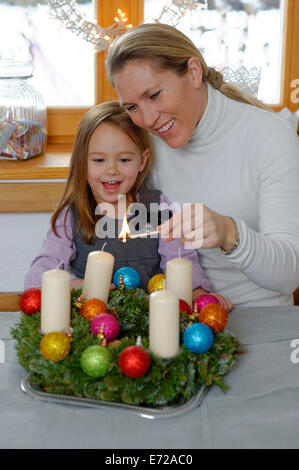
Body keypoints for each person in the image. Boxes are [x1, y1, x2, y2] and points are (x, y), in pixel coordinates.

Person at [105, 23, 299, 307]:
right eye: (132, 107)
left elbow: (290, 275)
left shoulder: (271, 138)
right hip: (174, 316)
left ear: (194, 73)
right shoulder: (140, 146)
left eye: (155, 95)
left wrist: (229, 233)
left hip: (258, 318)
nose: (147, 119)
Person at [24, 100, 232, 310]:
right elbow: (41, 272)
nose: (112, 170)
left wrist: (196, 290)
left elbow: (181, 258)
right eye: (98, 160)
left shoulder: (156, 207)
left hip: (151, 320)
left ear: (142, 161)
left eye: (124, 160)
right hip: (92, 324)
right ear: (81, 161)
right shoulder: (71, 215)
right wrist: (70, 286)